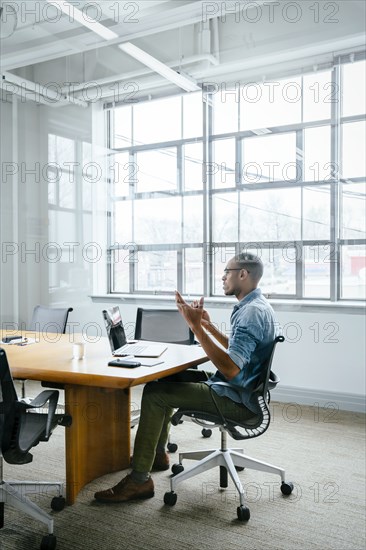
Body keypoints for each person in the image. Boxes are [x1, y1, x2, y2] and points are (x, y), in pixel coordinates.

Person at [94, 252, 278, 503]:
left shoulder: (251, 313)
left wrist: (195, 328)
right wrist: (207, 326)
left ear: (243, 274)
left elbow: (231, 368)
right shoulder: (256, 306)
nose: (223, 277)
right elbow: (238, 353)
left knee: (156, 395)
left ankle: (139, 481)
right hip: (241, 389)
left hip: (238, 400)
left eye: (227, 271)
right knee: (167, 379)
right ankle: (158, 454)